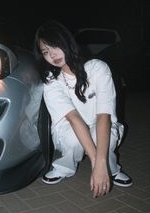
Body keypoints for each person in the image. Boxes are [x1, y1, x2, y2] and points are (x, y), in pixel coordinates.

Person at [34, 20, 132, 198]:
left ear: (67, 42)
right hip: (70, 128)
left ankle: (111, 168)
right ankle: (65, 167)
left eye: (55, 46)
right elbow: (74, 119)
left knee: (102, 136)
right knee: (73, 138)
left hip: (100, 123)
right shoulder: (52, 80)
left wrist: (101, 163)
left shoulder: (97, 68)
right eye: (46, 52)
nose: (52, 55)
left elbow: (104, 114)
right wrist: (95, 163)